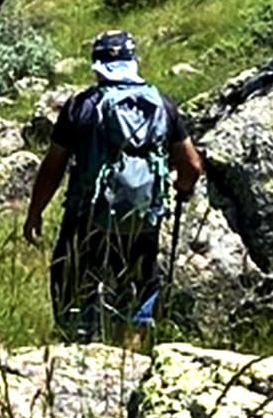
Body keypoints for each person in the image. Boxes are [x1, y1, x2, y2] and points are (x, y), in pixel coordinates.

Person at [23, 29, 206, 344]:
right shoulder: (162, 105)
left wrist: (35, 212)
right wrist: (182, 189)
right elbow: (191, 166)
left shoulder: (80, 106)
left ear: (97, 67)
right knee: (136, 293)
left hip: (86, 218)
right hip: (142, 221)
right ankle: (129, 360)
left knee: (72, 288)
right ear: (133, 62)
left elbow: (53, 166)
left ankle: (75, 350)